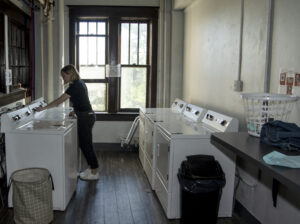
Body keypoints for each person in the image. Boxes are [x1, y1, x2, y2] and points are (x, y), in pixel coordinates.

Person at [36, 64, 99, 180]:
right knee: (85, 144)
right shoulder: (79, 83)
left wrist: (43, 108)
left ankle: (94, 172)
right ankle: (91, 169)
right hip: (86, 115)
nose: (63, 79)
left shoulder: (75, 86)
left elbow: (58, 101)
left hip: (86, 117)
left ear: (70, 74)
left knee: (86, 145)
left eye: (64, 76)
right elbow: (82, 101)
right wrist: (75, 111)